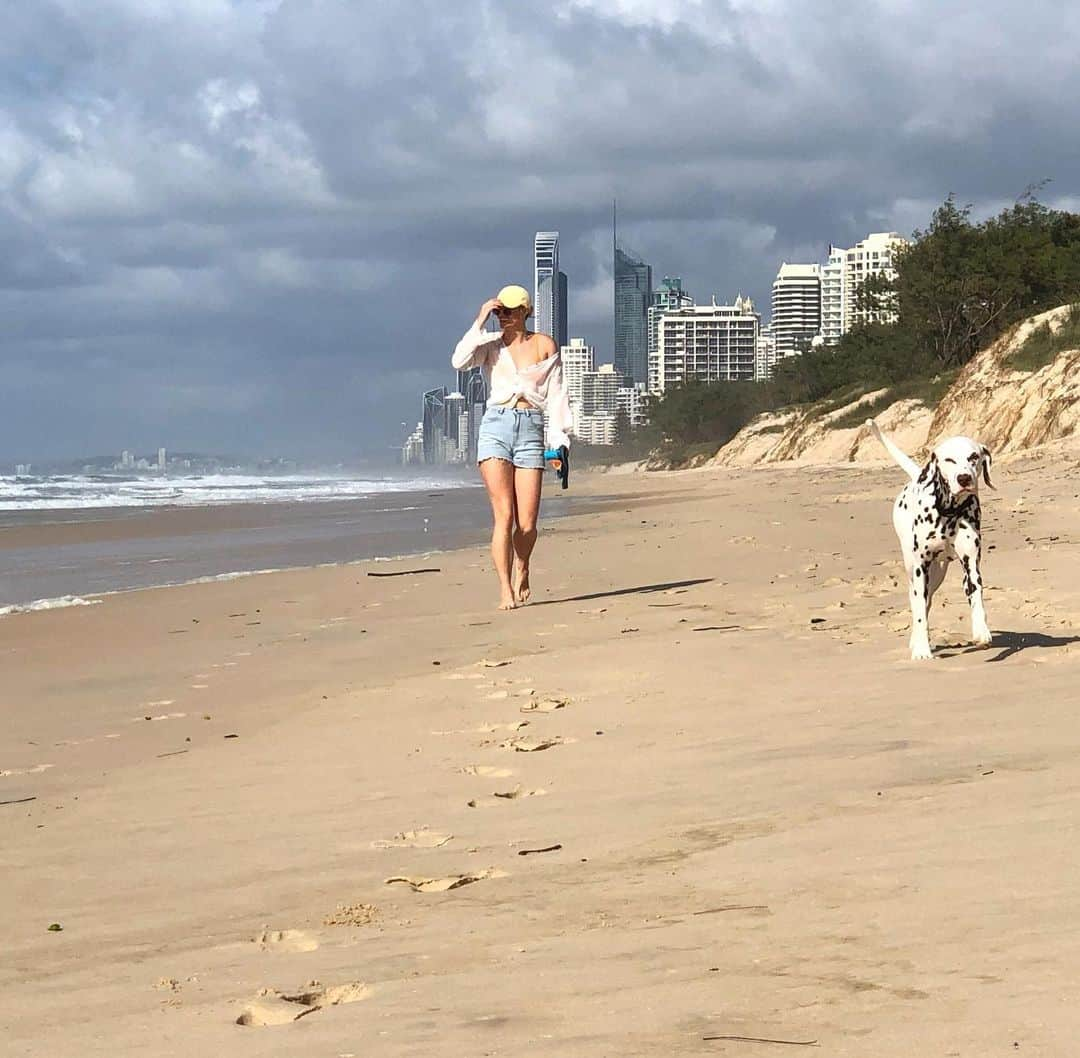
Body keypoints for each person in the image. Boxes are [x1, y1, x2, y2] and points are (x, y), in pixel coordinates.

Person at [452, 284, 573, 610]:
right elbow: (459, 361)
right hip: (496, 428)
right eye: (499, 311)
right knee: (503, 515)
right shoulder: (489, 346)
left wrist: (560, 438)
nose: (503, 316)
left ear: (524, 312)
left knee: (528, 524)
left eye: (509, 311)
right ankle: (504, 589)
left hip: (531, 427)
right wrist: (479, 320)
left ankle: (523, 564)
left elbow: (557, 394)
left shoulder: (544, 344)